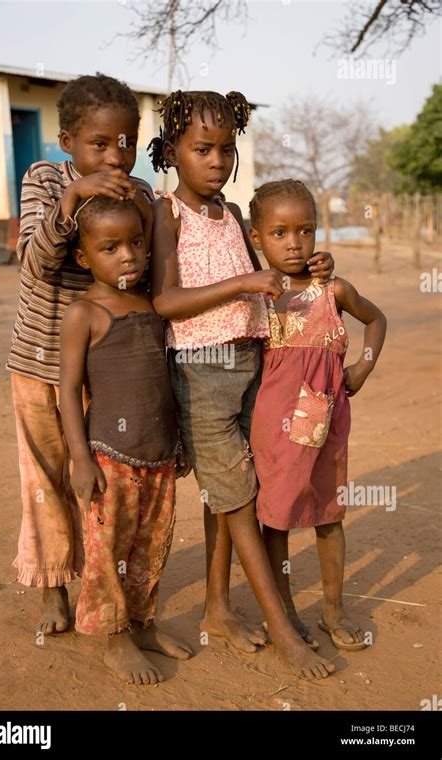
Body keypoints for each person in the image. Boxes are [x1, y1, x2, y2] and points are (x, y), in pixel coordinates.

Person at [149, 90, 336, 679]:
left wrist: (315, 265)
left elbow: (280, 264)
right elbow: (165, 300)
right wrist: (239, 286)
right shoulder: (166, 213)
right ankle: (283, 631)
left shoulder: (233, 215)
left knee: (227, 496)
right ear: (172, 150)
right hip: (201, 372)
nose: (217, 160)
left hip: (253, 366)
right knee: (239, 498)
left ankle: (218, 609)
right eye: (202, 148)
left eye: (226, 148)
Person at [6, 73, 153, 634]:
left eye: (126, 142)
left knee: (97, 477)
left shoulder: (136, 194)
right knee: (45, 476)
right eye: (100, 143)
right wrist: (71, 201)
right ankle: (52, 584)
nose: (115, 156)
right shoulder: (46, 179)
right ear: (67, 140)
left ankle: (103, 582)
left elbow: (144, 278)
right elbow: (35, 263)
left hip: (105, 369)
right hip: (39, 366)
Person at [59, 195, 193, 683]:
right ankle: (112, 639)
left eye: (136, 243)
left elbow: (165, 377)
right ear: (84, 257)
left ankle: (141, 624)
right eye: (110, 247)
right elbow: (68, 391)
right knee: (106, 549)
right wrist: (79, 457)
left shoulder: (154, 303)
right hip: (107, 457)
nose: (129, 256)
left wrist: (177, 442)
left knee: (149, 546)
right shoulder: (85, 314)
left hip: (158, 453)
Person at [249, 179, 387, 652]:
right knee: (278, 519)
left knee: (329, 516)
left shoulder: (334, 291)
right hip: (274, 428)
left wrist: (363, 367)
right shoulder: (259, 296)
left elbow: (376, 319)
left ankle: (334, 609)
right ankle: (283, 613)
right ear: (257, 238)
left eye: (305, 231)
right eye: (279, 233)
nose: (294, 243)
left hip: (326, 423)